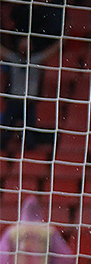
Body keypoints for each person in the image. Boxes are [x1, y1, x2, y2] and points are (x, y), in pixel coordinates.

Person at [0, 0, 64, 153]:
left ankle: (29, 151)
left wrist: (63, 39)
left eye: (27, 44)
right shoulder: (14, 59)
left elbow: (52, 51)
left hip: (28, 102)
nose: (24, 47)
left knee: (29, 134)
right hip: (14, 101)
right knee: (5, 132)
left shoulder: (35, 61)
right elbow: (2, 51)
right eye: (23, 44)